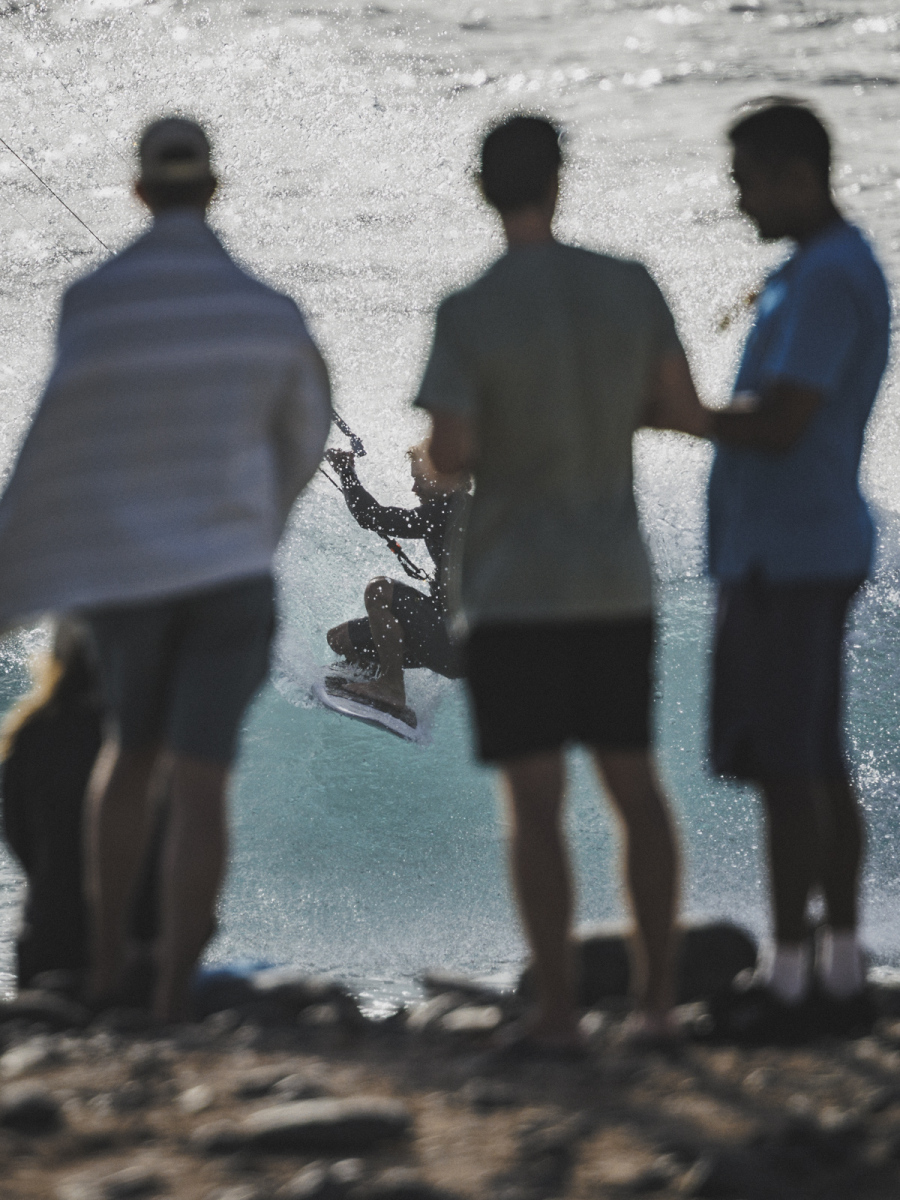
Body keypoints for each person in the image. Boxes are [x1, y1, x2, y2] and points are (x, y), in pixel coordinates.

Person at [0, 117, 331, 1020]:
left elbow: (61, 439)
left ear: (139, 190)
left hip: (130, 579)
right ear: (214, 189)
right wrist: (256, 525)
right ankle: (174, 985)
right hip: (230, 575)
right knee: (201, 781)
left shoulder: (95, 301)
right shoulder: (268, 310)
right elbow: (304, 436)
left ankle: (110, 972)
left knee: (128, 758)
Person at [417, 115, 709, 1049]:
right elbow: (677, 407)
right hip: (615, 582)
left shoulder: (470, 309)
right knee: (636, 789)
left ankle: (556, 1014)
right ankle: (657, 1004)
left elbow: (451, 456)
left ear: (481, 187)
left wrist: (433, 458)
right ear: (559, 178)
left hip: (515, 592)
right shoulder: (629, 284)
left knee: (534, 804)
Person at [695, 101, 890, 1040]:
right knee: (812, 761)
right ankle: (838, 970)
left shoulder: (829, 275)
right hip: (793, 548)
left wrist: (673, 412)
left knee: (788, 770)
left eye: (747, 181)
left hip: (795, 552)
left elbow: (781, 423)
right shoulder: (812, 269)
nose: (739, 201)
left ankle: (790, 982)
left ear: (796, 174)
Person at [0, 619, 161, 998]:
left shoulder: (27, 733)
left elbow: (18, 836)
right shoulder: (143, 739)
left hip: (49, 941)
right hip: (144, 943)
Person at [324, 441, 467, 720]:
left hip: (455, 646)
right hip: (440, 632)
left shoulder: (453, 511)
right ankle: (374, 680)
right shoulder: (448, 510)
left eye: (419, 479)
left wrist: (346, 471)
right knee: (340, 639)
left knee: (379, 589)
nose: (414, 488)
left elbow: (371, 516)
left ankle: (391, 687)